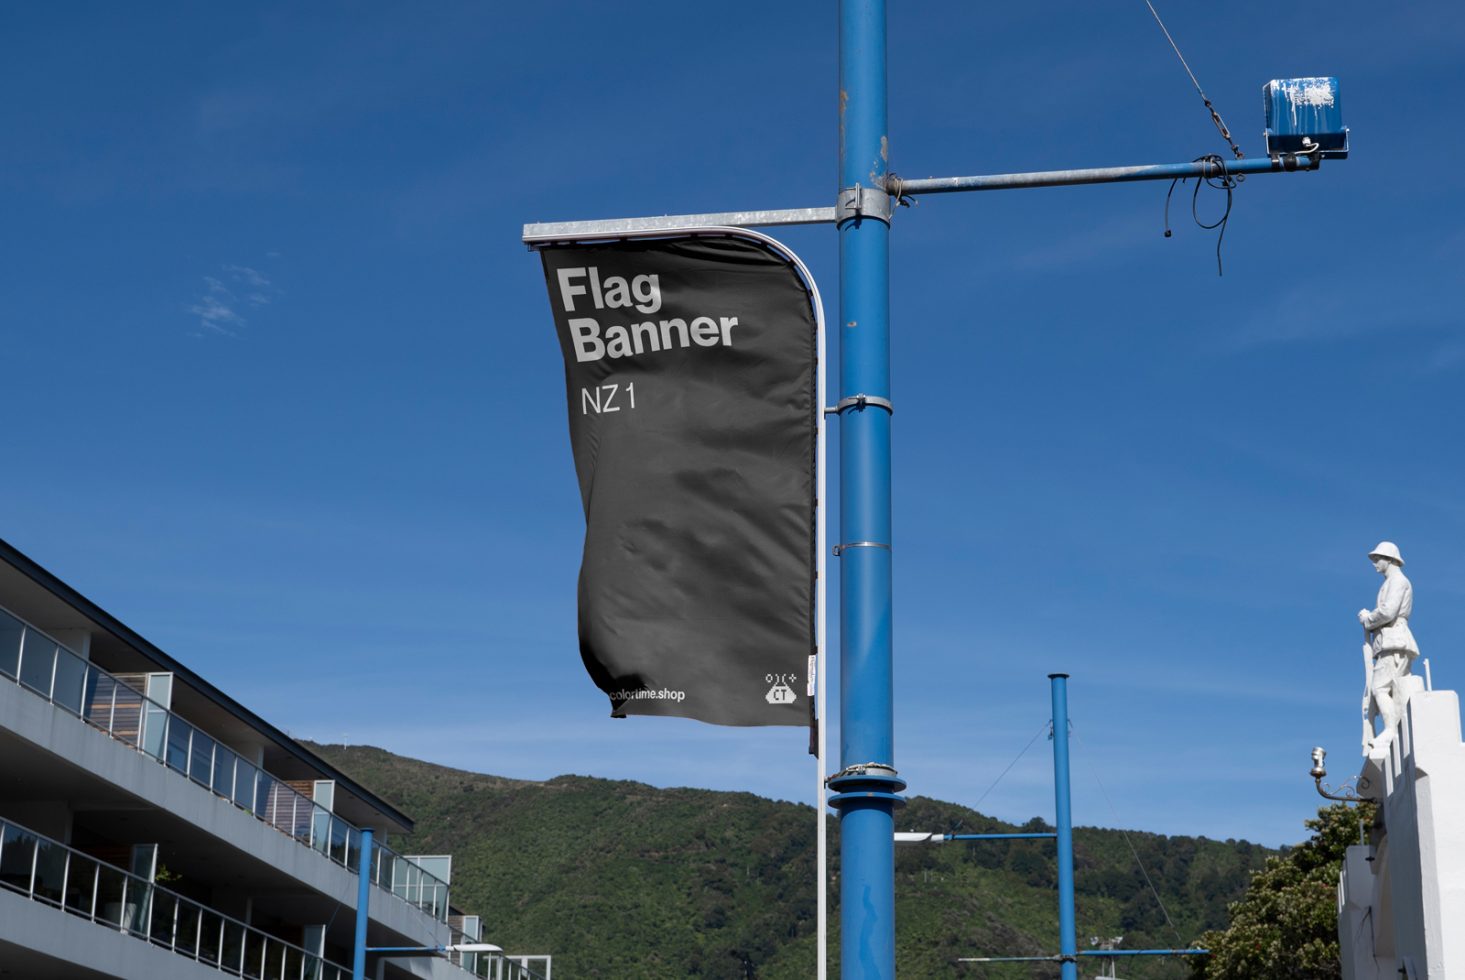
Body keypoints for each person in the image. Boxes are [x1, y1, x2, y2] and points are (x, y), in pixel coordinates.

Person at [1358, 541, 1420, 749]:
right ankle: (1395, 729)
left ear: (1390, 559)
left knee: (1380, 687)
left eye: (1378, 558)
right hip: (1389, 641)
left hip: (1394, 641)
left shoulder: (1398, 581)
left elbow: (1388, 612)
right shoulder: (1390, 582)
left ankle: (1391, 730)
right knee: (1391, 689)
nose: (1375, 563)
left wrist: (1368, 618)